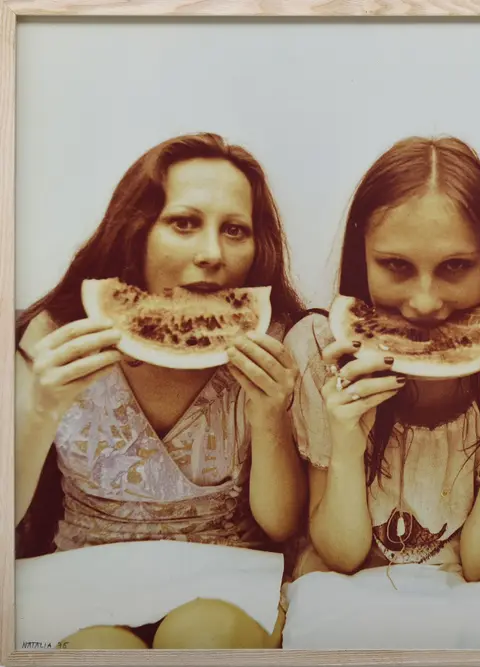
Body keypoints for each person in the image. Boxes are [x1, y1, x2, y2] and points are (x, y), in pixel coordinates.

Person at [279, 135, 480, 650]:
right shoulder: (316, 348)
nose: (424, 301)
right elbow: (342, 556)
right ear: (361, 258)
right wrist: (347, 445)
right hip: (346, 600)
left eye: (456, 267)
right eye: (395, 265)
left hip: (477, 604)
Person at [15, 132, 307, 649]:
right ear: (136, 230)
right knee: (97, 653)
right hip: (82, 581)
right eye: (184, 223)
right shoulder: (51, 335)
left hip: (228, 578)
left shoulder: (275, 341)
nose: (211, 252)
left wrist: (269, 415)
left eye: (235, 230)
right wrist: (39, 412)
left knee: (204, 637)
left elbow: (281, 525)